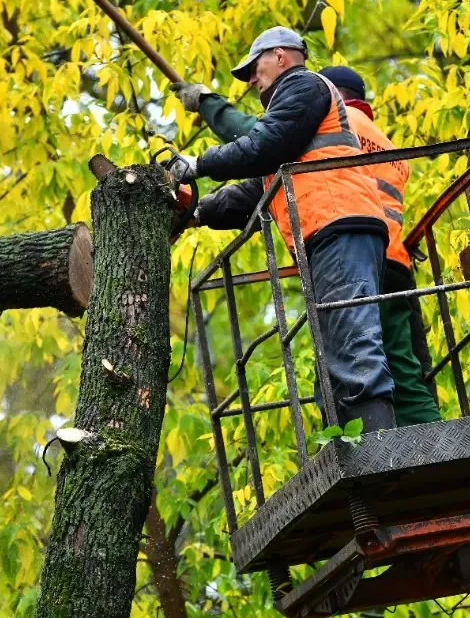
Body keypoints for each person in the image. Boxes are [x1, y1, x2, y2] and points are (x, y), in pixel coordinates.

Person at [173, 65, 441, 426]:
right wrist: (202, 211)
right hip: (393, 263)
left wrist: (208, 103)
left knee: (347, 360)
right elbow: (258, 190)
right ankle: (426, 442)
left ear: (333, 96)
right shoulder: (386, 143)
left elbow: (259, 140)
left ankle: (371, 447)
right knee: (403, 370)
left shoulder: (329, 125)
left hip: (344, 249)